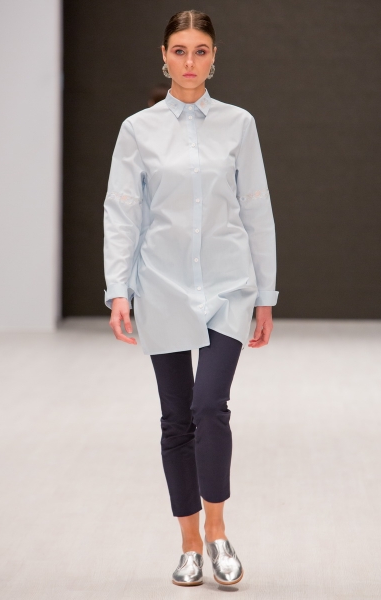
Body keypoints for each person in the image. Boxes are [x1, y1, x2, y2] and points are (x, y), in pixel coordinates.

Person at [103, 9, 279, 587]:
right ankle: (188, 544)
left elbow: (256, 208)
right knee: (176, 417)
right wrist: (118, 289)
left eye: (200, 50)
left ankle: (218, 532)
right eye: (179, 50)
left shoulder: (239, 124)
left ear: (214, 57)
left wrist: (265, 294)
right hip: (162, 286)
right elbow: (122, 213)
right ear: (164, 55)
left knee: (210, 407)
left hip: (229, 284)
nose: (189, 61)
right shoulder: (138, 130)